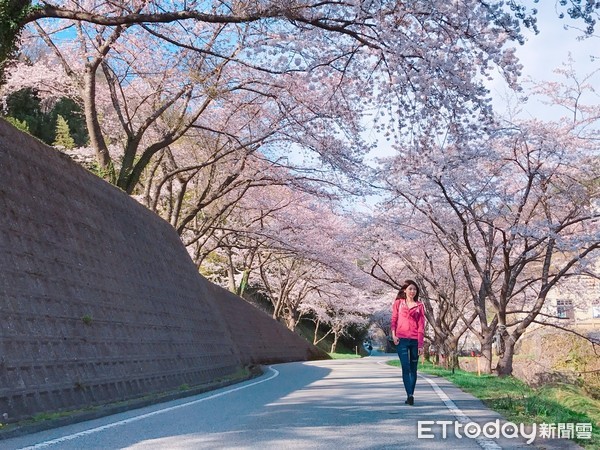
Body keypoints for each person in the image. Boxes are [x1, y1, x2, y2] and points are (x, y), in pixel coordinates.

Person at [390, 279, 425, 405]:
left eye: (414, 289)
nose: (412, 291)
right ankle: (409, 394)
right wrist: (394, 335)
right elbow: (394, 320)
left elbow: (421, 326)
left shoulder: (420, 305)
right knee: (405, 367)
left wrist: (421, 344)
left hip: (415, 340)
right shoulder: (398, 303)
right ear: (405, 290)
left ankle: (411, 395)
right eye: (410, 289)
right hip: (401, 339)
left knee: (413, 369)